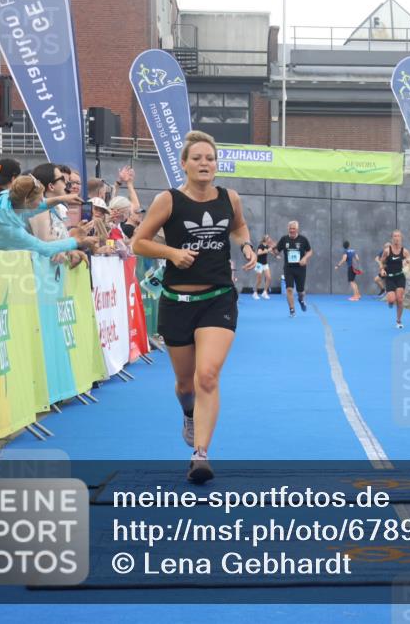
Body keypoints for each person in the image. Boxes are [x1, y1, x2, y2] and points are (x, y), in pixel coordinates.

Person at [132, 130, 256, 484]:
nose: (205, 164)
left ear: (217, 165)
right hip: (177, 302)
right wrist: (172, 253)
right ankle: (189, 412)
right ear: (183, 164)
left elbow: (240, 226)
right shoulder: (168, 201)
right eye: (197, 158)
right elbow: (138, 242)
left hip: (218, 298)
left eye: (210, 158)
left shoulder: (229, 198)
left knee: (208, 375)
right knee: (185, 383)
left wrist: (245, 245)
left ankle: (200, 454)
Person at [0, 175, 95, 255]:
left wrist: (61, 199)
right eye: (40, 199)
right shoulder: (10, 230)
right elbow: (44, 248)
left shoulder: (8, 198)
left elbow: (36, 205)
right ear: (26, 201)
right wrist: (76, 241)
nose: (42, 202)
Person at [28, 163, 88, 268]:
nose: (67, 183)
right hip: (40, 275)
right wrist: (75, 241)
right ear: (51, 186)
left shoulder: (55, 209)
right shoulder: (40, 210)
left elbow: (56, 241)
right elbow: (46, 245)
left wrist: (71, 251)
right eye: (62, 179)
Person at [272, 221, 312, 317]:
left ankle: (301, 300)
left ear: (297, 229)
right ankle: (292, 310)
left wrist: (305, 258)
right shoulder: (284, 239)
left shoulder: (303, 239)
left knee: (300, 291)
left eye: (294, 228)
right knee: (289, 289)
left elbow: (310, 251)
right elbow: (277, 252)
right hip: (288, 268)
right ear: (288, 229)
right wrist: (273, 249)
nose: (292, 230)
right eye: (290, 228)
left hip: (300, 269)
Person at [379, 230, 410, 328]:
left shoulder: (404, 251)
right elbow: (381, 262)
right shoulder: (387, 251)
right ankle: (390, 302)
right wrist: (382, 270)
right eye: (395, 236)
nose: (396, 238)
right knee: (392, 299)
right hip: (390, 278)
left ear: (401, 238)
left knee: (400, 300)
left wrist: (408, 263)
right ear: (392, 238)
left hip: (400, 277)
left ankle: (398, 321)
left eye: (398, 236)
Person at [253, 235, 273, 299]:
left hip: (265, 264)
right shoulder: (261, 245)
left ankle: (264, 292)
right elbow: (258, 253)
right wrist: (267, 251)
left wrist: (276, 255)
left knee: (269, 278)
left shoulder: (267, 246)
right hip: (259, 264)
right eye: (268, 238)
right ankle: (255, 293)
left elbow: (270, 251)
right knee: (259, 280)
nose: (269, 239)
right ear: (265, 239)